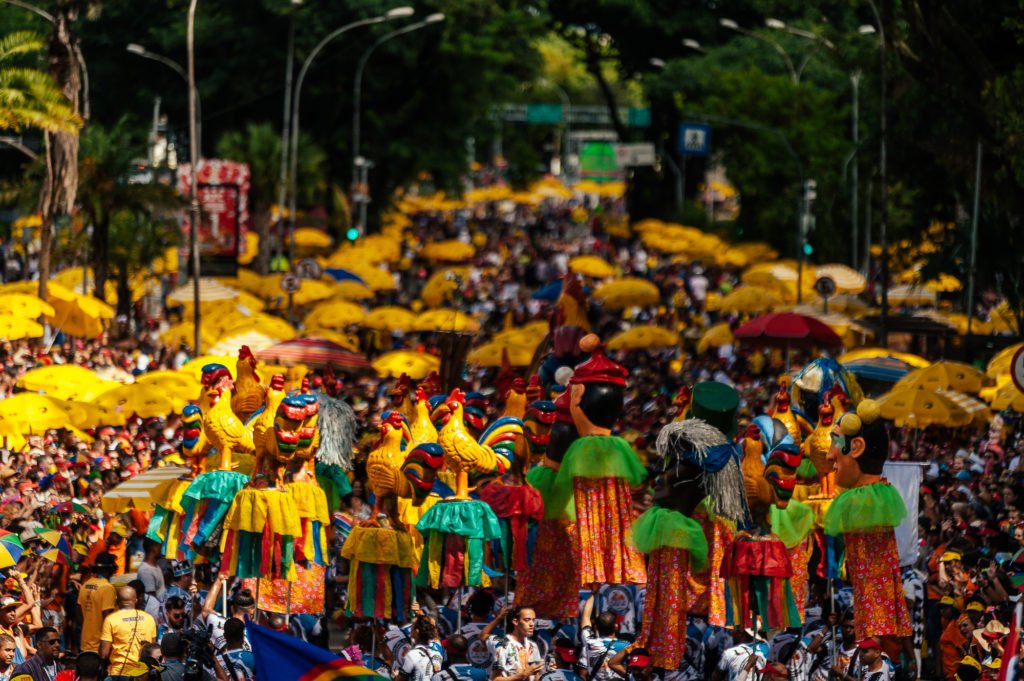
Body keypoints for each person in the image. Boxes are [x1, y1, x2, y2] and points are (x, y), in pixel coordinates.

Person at [98, 586, 156, 680]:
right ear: (136, 600)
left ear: (116, 601)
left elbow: (104, 654)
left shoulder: (110, 619)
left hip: (118, 672)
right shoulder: (149, 618)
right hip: (143, 674)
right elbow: (153, 648)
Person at [580, 594, 628, 681]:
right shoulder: (626, 647)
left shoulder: (589, 641)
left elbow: (586, 617)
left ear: (596, 627)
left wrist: (593, 593)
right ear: (616, 627)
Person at [77, 553, 116, 654]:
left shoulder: (85, 585)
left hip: (84, 643)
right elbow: (108, 619)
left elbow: (79, 615)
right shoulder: (107, 588)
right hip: (99, 646)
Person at [491, 607, 543, 681]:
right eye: (527, 620)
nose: (532, 624)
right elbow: (495, 679)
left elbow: (536, 675)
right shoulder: (504, 644)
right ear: (515, 621)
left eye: (533, 620)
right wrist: (523, 675)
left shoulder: (533, 645)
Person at [397, 616, 442, 681]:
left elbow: (400, 679)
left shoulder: (412, 655)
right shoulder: (438, 651)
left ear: (417, 632)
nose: (410, 630)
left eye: (412, 627)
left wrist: (396, 676)